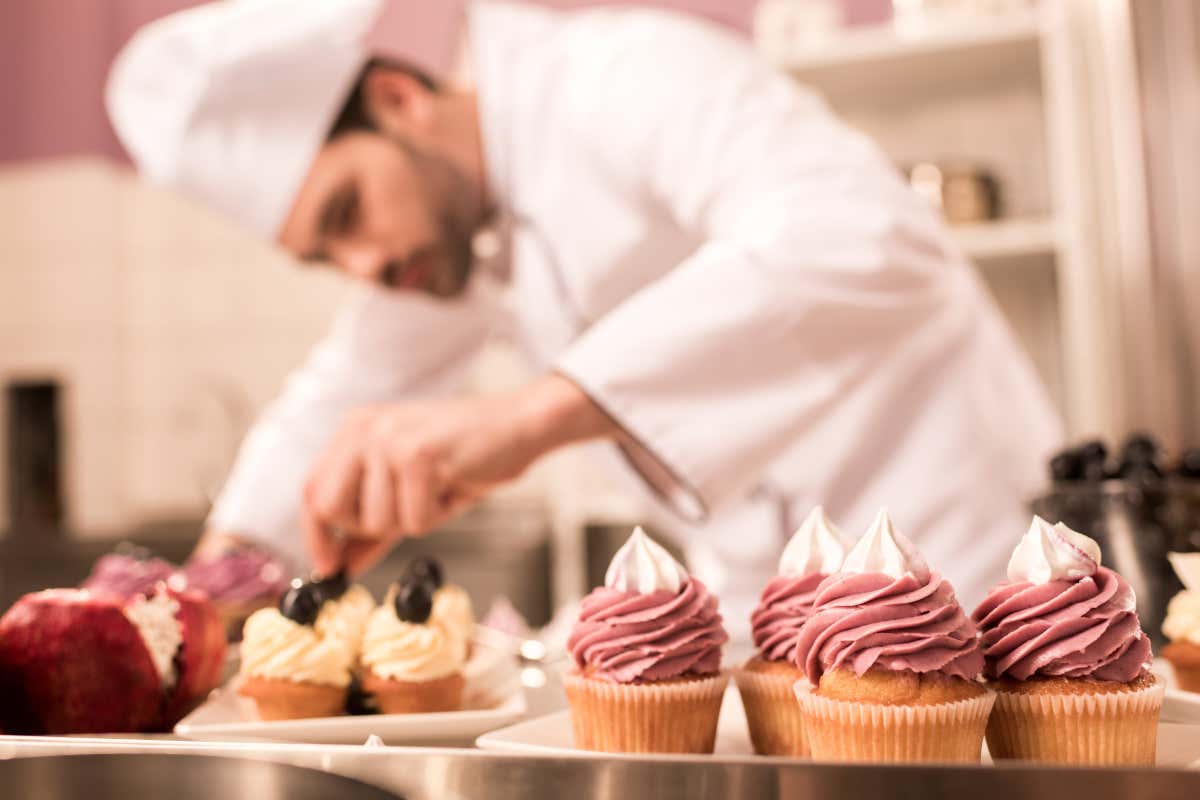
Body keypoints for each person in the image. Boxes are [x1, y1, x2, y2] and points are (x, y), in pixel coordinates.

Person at [107, 0, 1062, 635]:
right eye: (326, 257)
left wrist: (527, 419)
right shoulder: (448, 242)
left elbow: (859, 234)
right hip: (770, 612)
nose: (364, 266)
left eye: (347, 212)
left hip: (965, 567)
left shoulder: (619, 73)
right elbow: (336, 398)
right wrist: (199, 593)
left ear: (399, 99)